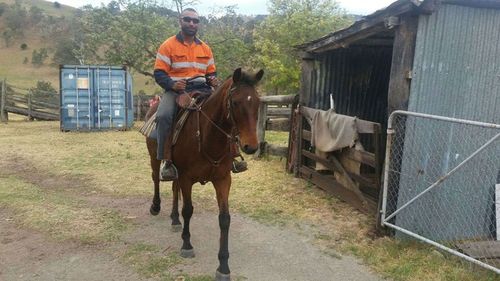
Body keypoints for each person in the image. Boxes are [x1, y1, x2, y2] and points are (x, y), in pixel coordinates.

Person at [153, 8, 246, 181]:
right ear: (180, 21)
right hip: (177, 90)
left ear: (198, 24)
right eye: (188, 20)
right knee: (164, 116)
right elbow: (159, 73)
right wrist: (172, 84)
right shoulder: (168, 45)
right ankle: (166, 160)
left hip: (203, 89)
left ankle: (233, 155)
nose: (192, 23)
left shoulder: (205, 48)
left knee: (227, 109)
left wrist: (212, 80)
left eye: (195, 21)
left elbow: (211, 72)